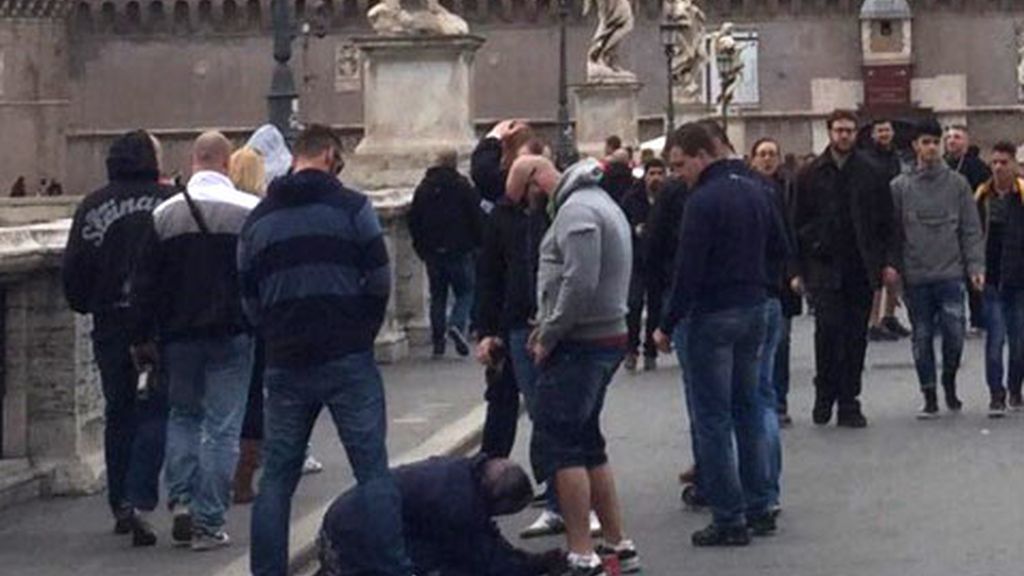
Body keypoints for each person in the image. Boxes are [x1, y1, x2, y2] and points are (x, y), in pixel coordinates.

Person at [240, 125, 413, 576]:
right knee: (372, 470)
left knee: (277, 479)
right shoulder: (353, 209)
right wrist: (361, 330)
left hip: (285, 359)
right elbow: (379, 281)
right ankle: (392, 568)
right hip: (347, 355)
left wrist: (276, 332)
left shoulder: (258, 220)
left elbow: (249, 298)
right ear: (331, 155)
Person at [654, 122, 784, 546]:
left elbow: (687, 269)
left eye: (680, 164)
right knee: (749, 408)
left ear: (702, 155)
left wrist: (666, 323)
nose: (677, 174)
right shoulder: (757, 189)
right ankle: (761, 503)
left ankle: (729, 517)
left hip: (712, 314)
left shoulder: (702, 201)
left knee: (712, 418)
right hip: (755, 307)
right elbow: (782, 248)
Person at [129, 131, 258, 550]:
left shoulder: (165, 215)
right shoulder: (249, 211)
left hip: (179, 334)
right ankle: (208, 522)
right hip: (233, 332)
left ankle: (181, 501)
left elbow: (145, 285)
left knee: (182, 417)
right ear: (226, 163)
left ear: (194, 160)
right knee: (223, 427)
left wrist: (142, 337)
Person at [476, 155, 603, 539]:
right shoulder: (505, 217)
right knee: (545, 417)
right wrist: (487, 330)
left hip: (555, 326)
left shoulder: (566, 212)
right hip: (519, 326)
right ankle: (557, 501)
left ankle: (572, 504)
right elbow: (490, 275)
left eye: (523, 190)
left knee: (565, 419)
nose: (520, 198)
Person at [62, 130, 174, 547]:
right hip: (160, 323)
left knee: (119, 410)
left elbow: (74, 269)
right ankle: (140, 493)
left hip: (110, 321)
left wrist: (86, 303)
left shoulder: (93, 205)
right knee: (158, 408)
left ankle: (120, 503)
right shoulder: (170, 203)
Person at [530, 158, 640, 575]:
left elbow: (579, 281)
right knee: (589, 442)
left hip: (583, 340)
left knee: (563, 446)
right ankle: (617, 543)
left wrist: (549, 332)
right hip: (604, 334)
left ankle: (581, 551)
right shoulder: (602, 202)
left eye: (529, 194)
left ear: (539, 181)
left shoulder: (576, 211)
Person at [793, 109, 897, 428]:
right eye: (839, 130)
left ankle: (849, 400)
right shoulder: (809, 173)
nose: (844, 135)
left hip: (860, 267)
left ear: (857, 134)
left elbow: (887, 222)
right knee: (827, 333)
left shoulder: (872, 172)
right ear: (829, 132)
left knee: (855, 337)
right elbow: (795, 222)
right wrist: (798, 267)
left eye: (850, 130)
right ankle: (825, 393)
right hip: (823, 267)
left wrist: (889, 262)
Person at [319, 455, 566, 576]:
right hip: (355, 543)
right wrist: (536, 565)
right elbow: (485, 558)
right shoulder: (459, 507)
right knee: (452, 562)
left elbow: (486, 538)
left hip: (340, 525)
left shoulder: (460, 473)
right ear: (497, 502)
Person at [891, 119, 985, 419]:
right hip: (916, 275)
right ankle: (929, 392)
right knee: (921, 336)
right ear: (915, 147)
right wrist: (893, 269)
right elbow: (893, 233)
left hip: (951, 273)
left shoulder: (958, 185)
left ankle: (950, 379)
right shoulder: (900, 187)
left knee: (955, 333)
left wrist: (975, 266)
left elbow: (971, 228)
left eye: (935, 142)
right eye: (926, 142)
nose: (931, 147)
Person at [409, 149, 483, 357]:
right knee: (466, 291)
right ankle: (457, 324)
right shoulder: (463, 187)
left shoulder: (424, 188)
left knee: (438, 296)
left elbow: (414, 220)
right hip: (460, 248)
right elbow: (475, 217)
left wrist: (420, 247)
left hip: (432, 250)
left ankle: (438, 344)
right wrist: (478, 242)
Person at [749, 137, 802, 426]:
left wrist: (796, 271)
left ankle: (779, 399)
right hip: (757, 278)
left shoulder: (789, 189)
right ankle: (763, 397)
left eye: (772, 154)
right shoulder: (748, 190)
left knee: (781, 342)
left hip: (783, 279)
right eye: (762, 154)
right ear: (753, 159)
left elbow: (793, 233)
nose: (767, 159)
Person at [227, 146, 267, 505]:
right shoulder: (260, 215)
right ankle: (242, 480)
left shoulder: (206, 206)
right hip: (250, 321)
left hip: (205, 319)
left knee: (202, 409)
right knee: (254, 399)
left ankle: (202, 483)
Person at [976, 142, 1024, 417]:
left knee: (1019, 342)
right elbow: (973, 233)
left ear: (1014, 164)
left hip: (1019, 279)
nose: (998, 167)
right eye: (994, 162)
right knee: (995, 339)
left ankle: (1015, 387)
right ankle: (996, 393)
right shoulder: (982, 195)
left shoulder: (1022, 195)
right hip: (991, 278)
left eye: (1003, 162)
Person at [866, 119, 912, 342]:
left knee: (896, 271)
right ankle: (873, 321)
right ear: (873, 135)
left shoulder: (897, 157)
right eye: (880, 130)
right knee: (877, 274)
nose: (884, 134)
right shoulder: (867, 158)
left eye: (887, 130)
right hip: (875, 220)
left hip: (896, 216)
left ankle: (889, 316)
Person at [945, 125, 992, 335]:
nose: (952, 141)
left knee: (974, 275)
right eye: (949, 138)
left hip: (974, 226)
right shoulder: (944, 166)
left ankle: (979, 319)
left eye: (957, 137)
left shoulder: (978, 167)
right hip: (947, 229)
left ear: (965, 141)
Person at [620, 159, 666, 372]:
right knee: (633, 304)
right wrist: (633, 230)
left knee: (656, 306)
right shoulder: (632, 198)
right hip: (636, 260)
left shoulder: (667, 198)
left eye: (659, 173)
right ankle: (631, 349)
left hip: (658, 260)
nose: (655, 178)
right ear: (645, 176)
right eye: (652, 173)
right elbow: (620, 224)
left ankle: (650, 351)